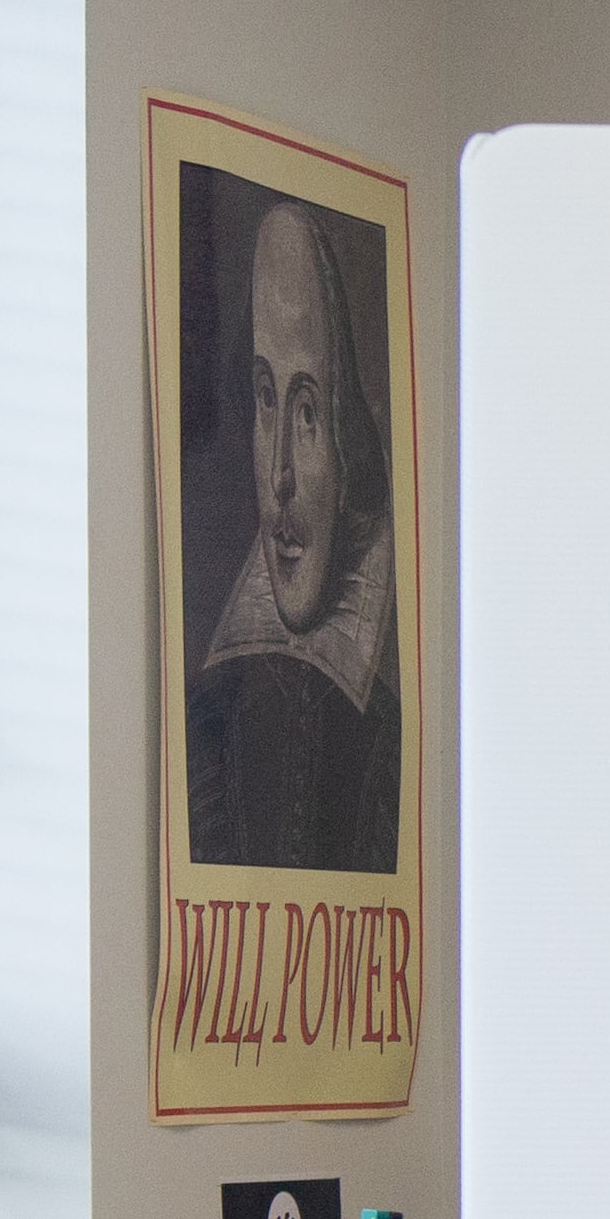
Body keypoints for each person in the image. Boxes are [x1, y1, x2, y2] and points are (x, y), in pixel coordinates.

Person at [183, 193, 406, 877]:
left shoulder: (388, 733)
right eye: (265, 399)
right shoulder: (209, 724)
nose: (278, 474)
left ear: (350, 447)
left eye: (308, 414)